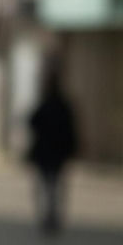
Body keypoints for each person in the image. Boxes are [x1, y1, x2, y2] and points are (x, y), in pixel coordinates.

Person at [26, 59, 78, 233]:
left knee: (48, 187)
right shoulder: (62, 105)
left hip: (47, 153)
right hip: (56, 153)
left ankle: (50, 217)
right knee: (53, 187)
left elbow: (32, 122)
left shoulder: (48, 105)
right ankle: (52, 217)